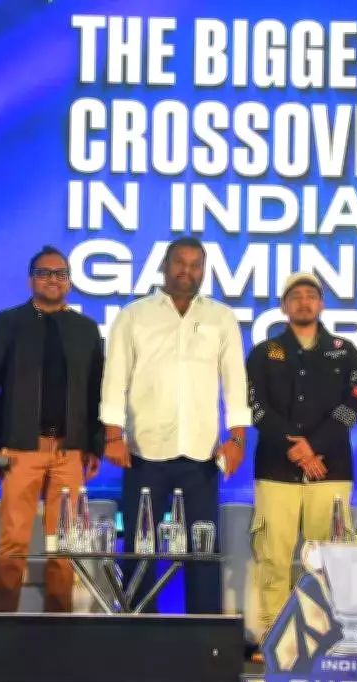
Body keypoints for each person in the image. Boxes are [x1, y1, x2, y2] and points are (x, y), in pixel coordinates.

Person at [100, 236, 249, 615]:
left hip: (201, 454)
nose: (187, 271)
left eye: (196, 265)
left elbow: (235, 381)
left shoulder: (221, 317)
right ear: (164, 267)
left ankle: (204, 633)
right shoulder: (134, 316)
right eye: (180, 262)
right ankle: (139, 629)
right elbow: (115, 378)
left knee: (203, 549)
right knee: (140, 547)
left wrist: (237, 438)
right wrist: (113, 434)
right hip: (144, 452)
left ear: (204, 271)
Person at [0, 245, 104, 613]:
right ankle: (3, 627)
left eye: (61, 274)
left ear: (70, 282)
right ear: (31, 279)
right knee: (13, 545)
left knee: (64, 547)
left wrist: (94, 445)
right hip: (20, 450)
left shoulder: (85, 330)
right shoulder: (6, 324)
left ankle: (57, 630)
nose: (53, 280)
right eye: (45, 273)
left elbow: (96, 391)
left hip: (70, 452)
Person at [246, 272, 357, 648]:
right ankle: (273, 641)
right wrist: (295, 447)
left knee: (328, 561)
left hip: (330, 469)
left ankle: (323, 642)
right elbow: (254, 406)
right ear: (283, 306)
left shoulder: (346, 351)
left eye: (311, 295)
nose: (303, 301)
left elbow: (354, 405)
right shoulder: (264, 352)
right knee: (273, 560)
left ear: (322, 304)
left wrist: (313, 446)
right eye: (295, 296)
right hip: (275, 470)